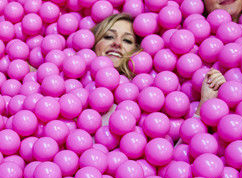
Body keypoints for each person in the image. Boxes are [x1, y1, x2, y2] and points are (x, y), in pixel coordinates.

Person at [90, 13, 225, 123]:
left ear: (136, 50)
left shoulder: (146, 94)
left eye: (127, 40)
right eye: (109, 37)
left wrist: (205, 103)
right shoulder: (80, 89)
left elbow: (175, 146)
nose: (117, 43)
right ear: (94, 42)